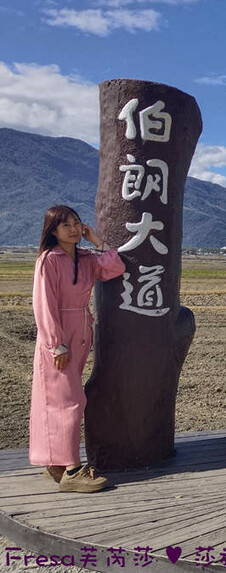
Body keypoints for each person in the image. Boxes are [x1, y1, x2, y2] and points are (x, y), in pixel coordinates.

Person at [29, 205, 125, 493]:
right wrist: (55, 344)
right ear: (52, 231)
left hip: (82, 332)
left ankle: (55, 463)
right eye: (65, 224)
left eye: (76, 223)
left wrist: (96, 241)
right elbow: (43, 305)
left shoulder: (85, 258)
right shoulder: (48, 261)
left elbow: (115, 267)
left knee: (62, 399)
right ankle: (72, 469)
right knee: (69, 401)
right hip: (58, 338)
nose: (73, 228)